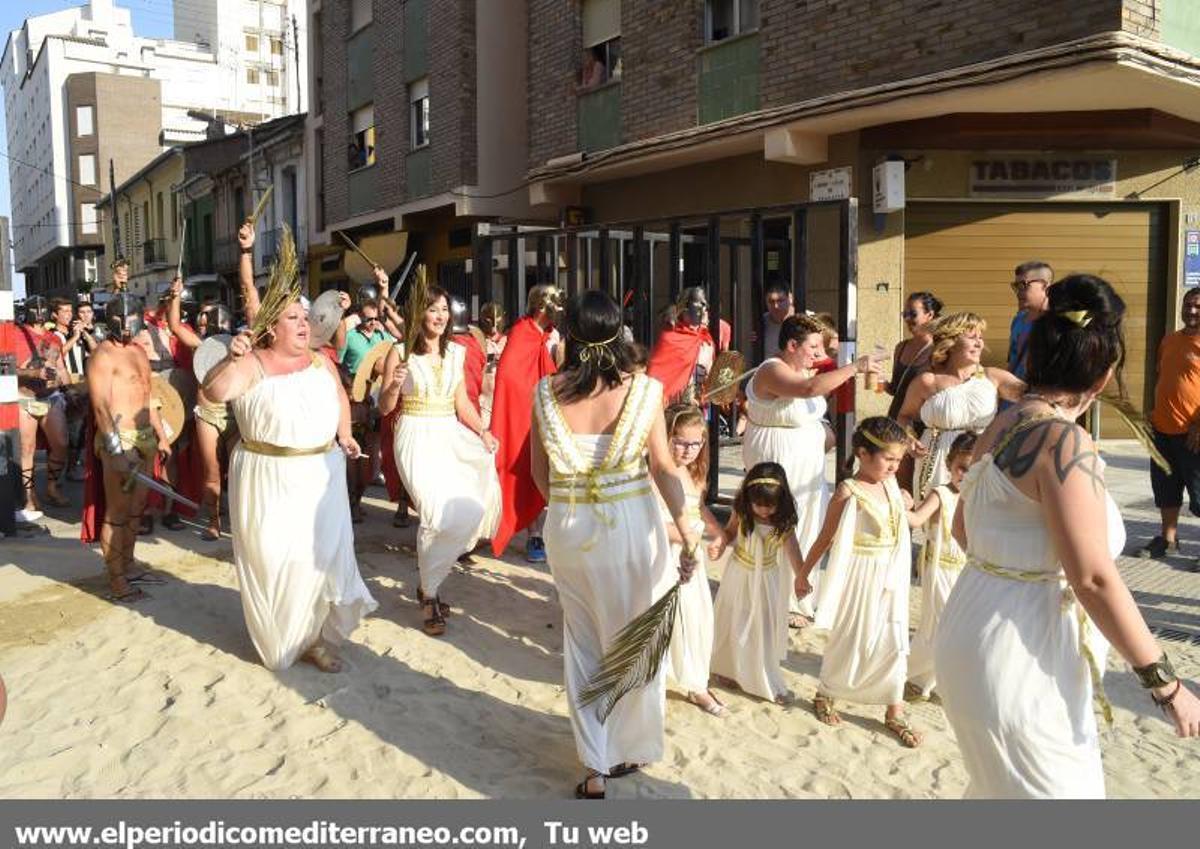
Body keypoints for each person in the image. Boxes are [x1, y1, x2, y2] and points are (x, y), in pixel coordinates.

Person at [935, 274, 1200, 798]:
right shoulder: (1064, 441)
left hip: (969, 625)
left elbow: (964, 528)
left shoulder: (1002, 424)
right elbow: (1094, 577)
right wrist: (1166, 685)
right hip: (1021, 650)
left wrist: (1013, 567)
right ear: (1103, 376)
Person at [530, 289, 701, 800]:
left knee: (582, 643)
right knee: (635, 640)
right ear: (618, 331)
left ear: (572, 336)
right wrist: (688, 529)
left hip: (569, 525)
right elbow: (666, 468)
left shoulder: (547, 392)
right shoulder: (644, 391)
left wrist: (574, 506)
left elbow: (541, 475)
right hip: (629, 524)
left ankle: (593, 767)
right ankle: (625, 745)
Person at [203, 279, 376, 672]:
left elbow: (339, 397)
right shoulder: (252, 363)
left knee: (317, 562)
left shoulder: (320, 360)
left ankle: (314, 640)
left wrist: (345, 435)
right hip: (268, 477)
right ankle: (285, 636)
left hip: (322, 475)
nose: (303, 324)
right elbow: (215, 392)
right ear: (271, 328)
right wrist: (230, 358)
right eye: (292, 318)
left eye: (304, 317)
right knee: (277, 559)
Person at [743, 313, 881, 625]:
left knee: (806, 525)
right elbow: (808, 390)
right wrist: (855, 367)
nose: (820, 355)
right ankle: (770, 598)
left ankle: (798, 597)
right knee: (776, 524)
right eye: (814, 347)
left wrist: (825, 433)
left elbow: (811, 404)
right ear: (792, 345)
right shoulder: (771, 370)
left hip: (808, 466)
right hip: (777, 460)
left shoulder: (804, 369)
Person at [379, 286, 501, 636]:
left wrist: (483, 431)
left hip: (450, 433)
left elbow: (462, 402)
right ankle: (430, 595)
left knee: (471, 509)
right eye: (432, 309)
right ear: (418, 313)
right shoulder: (398, 353)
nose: (440, 315)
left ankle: (428, 583)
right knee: (433, 512)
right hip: (415, 435)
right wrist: (392, 387)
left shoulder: (455, 354)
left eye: (444, 309)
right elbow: (386, 407)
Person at [796, 416, 920, 747]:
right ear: (863, 454)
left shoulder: (891, 484)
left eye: (898, 460)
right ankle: (827, 692)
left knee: (894, 640)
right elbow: (825, 537)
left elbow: (902, 512)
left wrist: (906, 501)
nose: (895, 466)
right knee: (852, 637)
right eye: (889, 459)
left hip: (892, 574)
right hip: (860, 575)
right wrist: (803, 573)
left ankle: (894, 709)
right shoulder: (848, 491)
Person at [83, 293, 172, 602]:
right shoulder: (103, 356)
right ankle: (117, 580)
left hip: (145, 436)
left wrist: (161, 434)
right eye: (122, 321)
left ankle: (130, 564)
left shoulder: (138, 351)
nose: (127, 328)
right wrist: (115, 449)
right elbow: (100, 408)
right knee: (118, 513)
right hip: (119, 438)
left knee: (136, 510)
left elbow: (148, 395)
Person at [897, 312, 1025, 503]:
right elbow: (904, 416)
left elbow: (1033, 397)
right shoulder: (927, 381)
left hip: (979, 458)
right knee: (938, 525)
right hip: (937, 462)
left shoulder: (993, 377)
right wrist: (909, 438)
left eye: (980, 338)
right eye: (972, 337)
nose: (979, 343)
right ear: (951, 342)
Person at [708, 464, 804, 704]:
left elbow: (794, 553)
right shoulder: (741, 513)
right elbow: (730, 533)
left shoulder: (782, 523)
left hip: (766, 580)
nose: (763, 510)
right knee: (733, 618)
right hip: (739, 573)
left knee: (762, 625)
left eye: (769, 505)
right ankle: (727, 669)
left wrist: (802, 577)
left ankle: (760, 677)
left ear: (781, 502)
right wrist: (720, 543)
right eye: (758, 504)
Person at [657, 404, 725, 716]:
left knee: (698, 618)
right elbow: (650, 520)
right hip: (665, 553)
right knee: (668, 617)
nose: (688, 450)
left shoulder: (695, 472)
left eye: (695, 443)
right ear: (666, 437)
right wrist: (688, 535)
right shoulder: (656, 471)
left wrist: (717, 531)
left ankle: (697, 682)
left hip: (691, 551)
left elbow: (698, 508)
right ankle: (665, 680)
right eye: (680, 442)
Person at [490, 284, 561, 563]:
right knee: (521, 469)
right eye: (556, 304)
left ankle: (537, 532)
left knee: (543, 469)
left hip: (543, 412)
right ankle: (529, 532)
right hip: (523, 416)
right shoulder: (522, 332)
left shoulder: (547, 335)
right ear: (543, 306)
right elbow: (510, 379)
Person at [903, 431, 973, 700]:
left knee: (957, 626)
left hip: (965, 571)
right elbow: (917, 519)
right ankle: (918, 675)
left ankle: (933, 679)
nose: (965, 476)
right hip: (940, 570)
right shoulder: (941, 494)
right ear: (949, 465)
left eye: (971, 469)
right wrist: (899, 503)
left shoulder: (980, 496)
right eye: (961, 469)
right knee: (942, 625)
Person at [165, 276, 235, 541]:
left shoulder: (239, 343)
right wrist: (175, 296)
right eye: (203, 320)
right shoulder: (198, 345)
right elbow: (173, 325)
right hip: (207, 413)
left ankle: (238, 521)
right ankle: (214, 522)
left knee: (238, 471)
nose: (205, 323)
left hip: (235, 414)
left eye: (210, 320)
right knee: (212, 472)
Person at [1135, 288, 1200, 562]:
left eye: (1197, 306)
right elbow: (1163, 379)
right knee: (1165, 489)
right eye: (1187, 305)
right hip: (1162, 430)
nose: (1191, 311)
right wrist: (1152, 413)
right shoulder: (1170, 340)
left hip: (1192, 434)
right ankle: (1168, 539)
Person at [14, 295, 69, 520]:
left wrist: (71, 388)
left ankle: (52, 486)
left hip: (50, 397)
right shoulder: (14, 335)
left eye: (42, 308)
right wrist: (34, 373)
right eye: (34, 309)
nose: (38, 312)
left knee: (61, 444)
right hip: (23, 397)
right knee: (27, 449)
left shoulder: (53, 339)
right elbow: (8, 369)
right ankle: (28, 495)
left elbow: (61, 369)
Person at [882, 291, 941, 490]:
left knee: (919, 486)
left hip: (922, 425)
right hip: (897, 420)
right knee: (895, 482)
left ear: (930, 315)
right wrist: (884, 385)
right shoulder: (901, 347)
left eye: (912, 314)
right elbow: (896, 388)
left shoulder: (939, 350)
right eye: (904, 314)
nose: (907, 319)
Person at [646, 287, 717, 407]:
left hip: (697, 408)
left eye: (704, 306)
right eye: (698, 306)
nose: (703, 311)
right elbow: (655, 375)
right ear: (684, 310)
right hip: (670, 407)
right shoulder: (670, 337)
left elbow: (707, 375)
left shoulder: (706, 340)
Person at [1006, 260, 1053, 382]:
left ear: (1045, 286)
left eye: (1024, 285)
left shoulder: (1058, 322)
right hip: (1016, 395)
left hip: (1045, 396)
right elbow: (1012, 362)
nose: (1018, 292)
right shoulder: (1019, 320)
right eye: (1016, 286)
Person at [478, 301, 507, 428]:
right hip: (484, 400)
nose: (494, 326)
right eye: (490, 320)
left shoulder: (508, 340)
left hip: (502, 397)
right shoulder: (478, 340)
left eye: (497, 319)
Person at [752, 283, 794, 367]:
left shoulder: (806, 320)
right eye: (771, 302)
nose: (776, 306)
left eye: (780, 301)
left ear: (790, 299)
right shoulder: (760, 323)